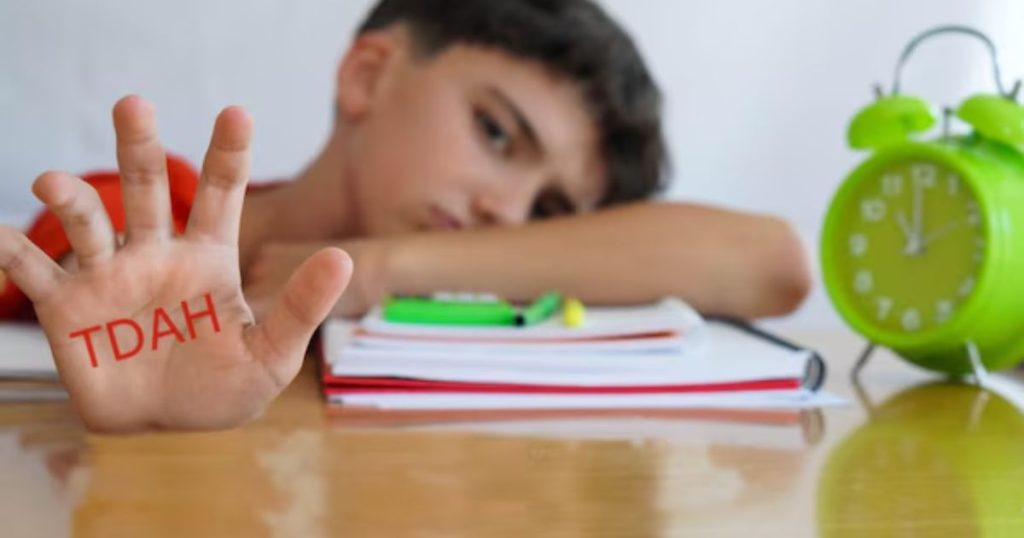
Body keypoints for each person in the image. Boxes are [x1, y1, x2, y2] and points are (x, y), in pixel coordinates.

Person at [0, 0, 811, 433]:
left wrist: (382, 268)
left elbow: (773, 261)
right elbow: (78, 271)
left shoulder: (466, 311)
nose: (509, 212)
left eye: (550, 211)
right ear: (368, 75)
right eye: (496, 133)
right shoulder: (155, 208)